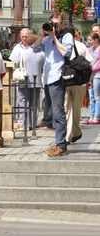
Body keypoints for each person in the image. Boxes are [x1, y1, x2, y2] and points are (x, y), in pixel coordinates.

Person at [33, 14, 73, 157]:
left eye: (56, 24)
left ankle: (61, 146)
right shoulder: (48, 39)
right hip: (48, 78)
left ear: (61, 25)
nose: (54, 26)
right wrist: (42, 34)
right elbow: (35, 48)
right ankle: (58, 143)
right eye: (52, 24)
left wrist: (54, 36)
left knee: (58, 112)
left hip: (58, 78)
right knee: (51, 113)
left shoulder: (66, 36)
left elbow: (65, 52)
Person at [9, 29, 44, 131]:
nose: (24, 38)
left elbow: (14, 63)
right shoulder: (41, 53)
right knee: (33, 103)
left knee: (24, 102)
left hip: (24, 79)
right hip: (36, 81)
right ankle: (32, 124)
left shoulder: (24, 53)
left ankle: (26, 125)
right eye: (23, 36)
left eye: (26, 37)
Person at [64, 26, 87, 144]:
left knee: (66, 108)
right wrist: (89, 80)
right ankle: (76, 132)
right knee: (76, 108)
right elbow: (89, 64)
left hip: (65, 79)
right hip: (79, 81)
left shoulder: (62, 46)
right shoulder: (82, 46)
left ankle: (68, 136)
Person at [87, 32, 100, 124]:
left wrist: (93, 68)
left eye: (90, 40)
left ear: (96, 40)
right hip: (90, 75)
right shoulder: (90, 50)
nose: (89, 41)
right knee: (91, 97)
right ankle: (91, 115)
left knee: (97, 96)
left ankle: (96, 116)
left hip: (97, 75)